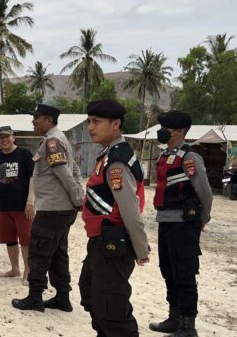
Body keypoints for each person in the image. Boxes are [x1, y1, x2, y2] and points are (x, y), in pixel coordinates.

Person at [78, 99, 150, 337]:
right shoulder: (110, 155)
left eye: (96, 122)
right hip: (101, 241)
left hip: (113, 244)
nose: (91, 127)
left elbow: (131, 210)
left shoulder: (117, 162)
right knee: (92, 295)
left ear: (116, 124)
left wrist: (141, 249)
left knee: (112, 308)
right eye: (89, 121)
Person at [12, 104, 83, 313]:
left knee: (39, 251)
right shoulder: (59, 138)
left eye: (37, 117)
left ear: (49, 120)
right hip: (61, 208)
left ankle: (35, 297)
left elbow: (64, 173)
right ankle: (62, 297)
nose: (33, 121)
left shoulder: (53, 141)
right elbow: (75, 168)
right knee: (58, 253)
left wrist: (78, 197)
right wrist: (77, 196)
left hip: (53, 208)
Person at [149, 111, 212, 337]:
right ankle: (174, 318)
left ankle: (188, 325)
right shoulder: (165, 155)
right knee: (168, 270)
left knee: (184, 273)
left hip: (184, 224)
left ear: (180, 131)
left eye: (167, 126)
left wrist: (201, 220)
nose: (162, 129)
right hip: (165, 221)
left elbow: (204, 191)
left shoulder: (190, 157)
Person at [0, 126, 35, 286]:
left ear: (13, 137)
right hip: (3, 206)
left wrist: (30, 200)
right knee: (9, 239)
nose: (3, 140)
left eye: (6, 136)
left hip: (22, 206)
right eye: (0, 138)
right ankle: (15, 268)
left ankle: (28, 270)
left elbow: (33, 178)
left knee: (26, 239)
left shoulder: (25, 154)